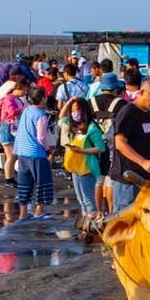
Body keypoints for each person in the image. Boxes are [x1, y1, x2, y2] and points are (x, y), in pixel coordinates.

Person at [107, 73, 150, 212]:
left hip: (144, 179)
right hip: (127, 179)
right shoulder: (128, 112)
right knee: (125, 219)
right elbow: (120, 143)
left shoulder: (148, 114)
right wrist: (143, 162)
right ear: (142, 92)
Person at [12, 86, 58, 219]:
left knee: (24, 182)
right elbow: (41, 137)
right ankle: (39, 211)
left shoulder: (26, 110)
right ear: (43, 98)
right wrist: (48, 150)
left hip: (22, 151)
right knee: (42, 182)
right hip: (36, 153)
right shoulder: (41, 115)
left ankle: (23, 213)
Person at [58, 98, 104, 230]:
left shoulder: (92, 128)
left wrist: (82, 151)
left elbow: (100, 147)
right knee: (81, 201)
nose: (74, 113)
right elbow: (61, 118)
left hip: (86, 169)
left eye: (77, 110)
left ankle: (92, 226)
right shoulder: (71, 124)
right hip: (74, 168)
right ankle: (86, 225)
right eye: (72, 111)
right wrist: (69, 102)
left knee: (89, 201)